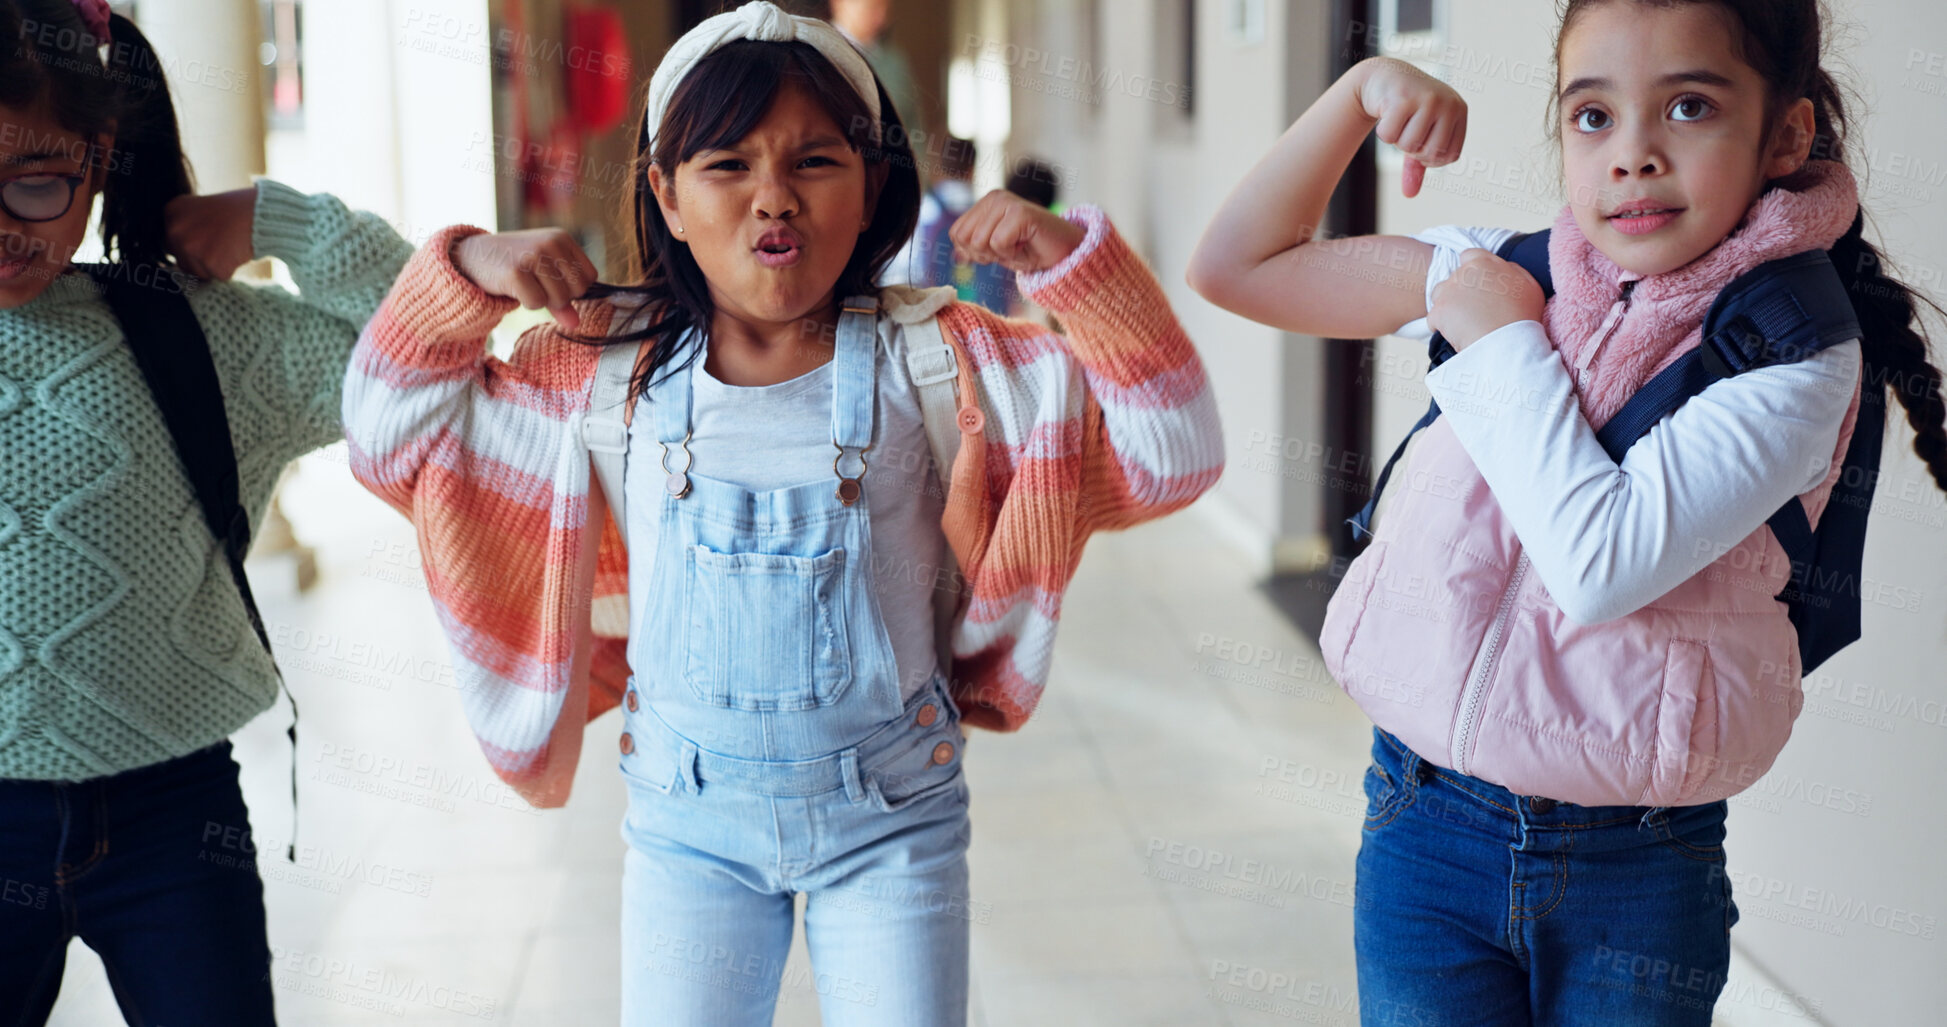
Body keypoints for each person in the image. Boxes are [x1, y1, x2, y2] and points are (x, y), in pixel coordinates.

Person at [340, 3, 1224, 1024]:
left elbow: (1181, 452)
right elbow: (385, 436)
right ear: (666, 196)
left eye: (815, 162)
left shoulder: (944, 359)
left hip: (895, 821)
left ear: (872, 189)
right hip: (686, 829)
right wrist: (465, 275)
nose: (774, 199)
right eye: (727, 165)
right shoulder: (595, 374)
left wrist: (1080, 269)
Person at [1188, 0, 1947, 1022]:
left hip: (1635, 863)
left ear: (1786, 135)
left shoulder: (1794, 355)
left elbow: (1601, 564)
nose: (1631, 154)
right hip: (1423, 819)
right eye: (1593, 116)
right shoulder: (1513, 273)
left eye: (1687, 106)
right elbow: (1239, 266)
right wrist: (1355, 97)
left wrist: (1498, 342)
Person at [0, 1, 414, 1023]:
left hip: (172, 813)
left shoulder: (196, 333)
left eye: (36, 180)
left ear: (97, 160)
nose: (4, 226)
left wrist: (279, 219)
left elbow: (420, 344)